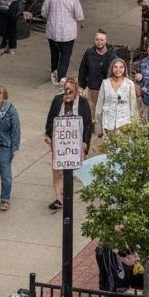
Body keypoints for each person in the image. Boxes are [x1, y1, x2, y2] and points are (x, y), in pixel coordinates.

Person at [44, 78, 92, 210]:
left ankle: (67, 195)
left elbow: (88, 125)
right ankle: (59, 198)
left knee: (70, 171)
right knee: (57, 170)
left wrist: (85, 143)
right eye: (66, 91)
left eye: (70, 91)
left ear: (76, 91)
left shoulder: (83, 103)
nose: (68, 94)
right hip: (59, 141)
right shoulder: (57, 100)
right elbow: (51, 118)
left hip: (75, 143)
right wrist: (48, 135)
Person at [40, 0, 84, 85]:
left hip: (52, 31)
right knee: (65, 55)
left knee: (54, 54)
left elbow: (44, 13)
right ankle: (61, 77)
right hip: (68, 32)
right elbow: (79, 15)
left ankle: (54, 74)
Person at [77, 29, 116, 134]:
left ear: (106, 40)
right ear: (94, 40)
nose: (99, 42)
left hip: (106, 89)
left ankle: (104, 129)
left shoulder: (112, 54)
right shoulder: (89, 53)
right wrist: (82, 85)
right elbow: (83, 69)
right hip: (93, 88)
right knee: (91, 111)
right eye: (97, 40)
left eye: (102, 40)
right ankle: (93, 130)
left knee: (105, 111)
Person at [95, 57, 138, 133]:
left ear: (125, 69)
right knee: (109, 144)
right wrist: (98, 124)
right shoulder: (105, 83)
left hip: (124, 122)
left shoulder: (129, 84)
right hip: (108, 122)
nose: (118, 70)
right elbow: (99, 104)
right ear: (112, 69)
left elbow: (133, 105)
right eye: (115, 67)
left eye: (121, 67)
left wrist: (134, 124)